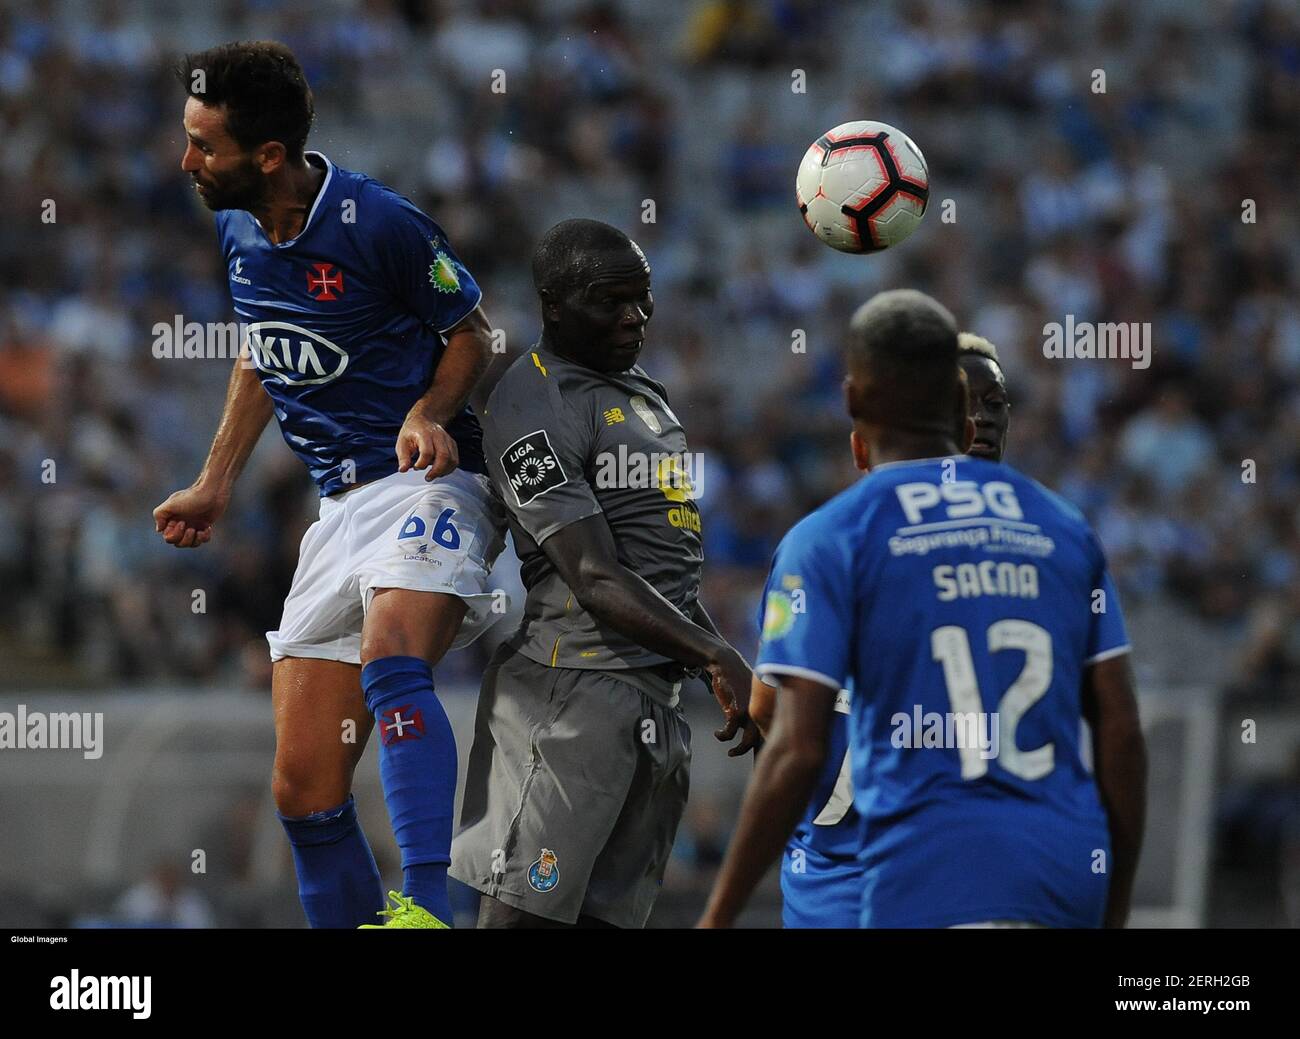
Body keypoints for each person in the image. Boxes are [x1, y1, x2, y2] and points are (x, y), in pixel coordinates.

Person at [152, 41, 506, 929]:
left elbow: (475, 334)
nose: (185, 160)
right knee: (304, 789)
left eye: (203, 145)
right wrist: (214, 481)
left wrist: (426, 411)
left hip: (430, 481)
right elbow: (261, 352)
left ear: (267, 157)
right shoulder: (237, 224)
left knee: (392, 653)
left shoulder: (379, 222)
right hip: (340, 507)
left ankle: (429, 911)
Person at [700, 289, 1147, 928]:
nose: (989, 419)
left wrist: (716, 917)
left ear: (855, 407)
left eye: (1001, 403)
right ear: (962, 419)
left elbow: (792, 741)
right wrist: (1116, 904)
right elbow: (1121, 732)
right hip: (1057, 868)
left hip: (900, 873)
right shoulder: (1062, 529)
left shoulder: (832, 540)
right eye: (980, 403)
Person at [451, 219, 758, 928]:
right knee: (522, 916)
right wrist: (716, 652)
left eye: (643, 299)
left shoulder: (645, 395)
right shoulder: (530, 405)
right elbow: (592, 573)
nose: (635, 316)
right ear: (554, 304)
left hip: (657, 699)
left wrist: (713, 662)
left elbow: (660, 574)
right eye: (612, 301)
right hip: (573, 692)